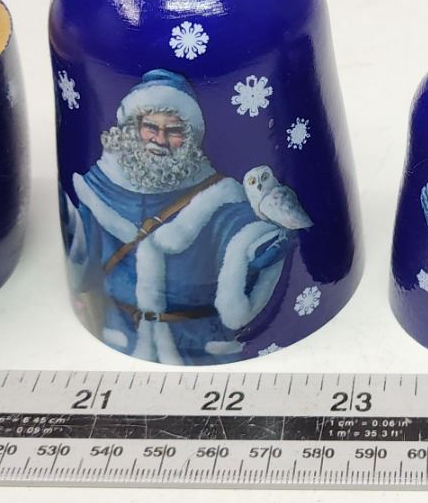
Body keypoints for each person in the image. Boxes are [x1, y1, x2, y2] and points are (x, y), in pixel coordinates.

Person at [62, 69, 298, 364]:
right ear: (133, 127)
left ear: (188, 138)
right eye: (150, 127)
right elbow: (82, 251)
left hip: (198, 339)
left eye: (173, 131)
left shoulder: (214, 192)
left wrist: (256, 248)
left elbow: (236, 226)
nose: (159, 139)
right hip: (122, 334)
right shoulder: (98, 187)